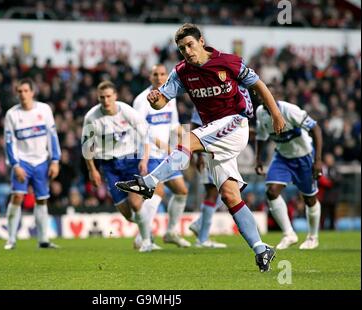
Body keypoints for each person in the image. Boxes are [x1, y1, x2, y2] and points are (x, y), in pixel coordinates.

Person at [116, 23, 286, 272]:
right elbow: (162, 101)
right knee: (229, 196)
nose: (187, 51)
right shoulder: (182, 72)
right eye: (182, 48)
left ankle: (149, 183)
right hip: (215, 135)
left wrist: (276, 114)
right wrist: (155, 100)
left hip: (235, 124)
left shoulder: (228, 62)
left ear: (201, 41)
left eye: (190, 45)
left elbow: (258, 85)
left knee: (186, 140)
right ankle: (261, 249)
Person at [81, 80, 156, 252]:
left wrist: (144, 160)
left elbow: (145, 134)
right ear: (98, 98)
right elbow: (87, 148)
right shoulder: (91, 118)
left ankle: (146, 241)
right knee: (128, 215)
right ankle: (146, 229)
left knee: (136, 204)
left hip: (130, 161)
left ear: (115, 96)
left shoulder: (126, 111)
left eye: (108, 96)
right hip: (109, 166)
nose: (105, 100)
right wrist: (92, 171)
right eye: (102, 97)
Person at [132, 63, 191, 248]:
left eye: (162, 74)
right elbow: (142, 131)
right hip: (149, 154)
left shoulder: (169, 98)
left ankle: (171, 232)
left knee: (181, 191)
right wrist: (165, 147)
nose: (159, 77)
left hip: (167, 153)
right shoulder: (142, 100)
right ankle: (142, 236)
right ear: (150, 77)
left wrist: (193, 139)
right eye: (155, 74)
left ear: (167, 76)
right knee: (158, 191)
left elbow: (174, 125)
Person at [255, 92, 323, 250]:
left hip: (304, 156)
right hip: (283, 157)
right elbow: (261, 135)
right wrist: (258, 159)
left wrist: (318, 160)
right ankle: (289, 234)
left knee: (309, 199)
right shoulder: (260, 112)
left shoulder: (290, 110)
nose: (262, 97)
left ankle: (313, 237)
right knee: (271, 192)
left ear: (274, 96)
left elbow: (316, 129)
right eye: (260, 94)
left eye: (265, 93)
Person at [3, 78, 61, 250]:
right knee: (17, 197)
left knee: (42, 200)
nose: (23, 94)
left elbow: (52, 136)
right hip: (22, 162)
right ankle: (11, 239)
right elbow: (8, 142)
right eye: (20, 91)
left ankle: (43, 240)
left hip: (41, 161)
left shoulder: (44, 110)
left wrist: (55, 161)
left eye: (26, 91)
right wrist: (15, 165)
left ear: (32, 92)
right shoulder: (12, 114)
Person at [188, 108, 227, 248]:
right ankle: (202, 239)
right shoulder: (202, 101)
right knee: (213, 192)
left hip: (219, 152)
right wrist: (197, 155)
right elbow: (194, 128)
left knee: (224, 192)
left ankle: (200, 225)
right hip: (208, 153)